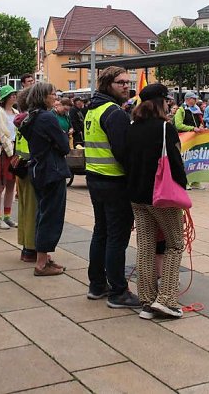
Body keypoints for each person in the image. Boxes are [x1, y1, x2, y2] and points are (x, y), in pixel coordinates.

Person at [123, 83, 187, 320]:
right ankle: (167, 299)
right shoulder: (164, 128)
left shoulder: (132, 127)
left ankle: (147, 301)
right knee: (175, 244)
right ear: (161, 102)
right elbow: (176, 162)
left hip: (136, 195)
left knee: (146, 247)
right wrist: (183, 188)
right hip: (161, 196)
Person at [84, 66, 140, 307]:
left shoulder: (93, 109)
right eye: (120, 82)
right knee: (116, 238)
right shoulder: (114, 112)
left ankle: (97, 285)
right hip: (114, 182)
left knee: (101, 233)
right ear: (107, 84)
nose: (126, 86)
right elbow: (123, 152)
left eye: (128, 82)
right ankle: (118, 291)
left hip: (96, 179)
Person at [19, 82, 69, 276]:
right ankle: (41, 263)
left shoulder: (31, 117)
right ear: (43, 96)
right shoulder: (48, 117)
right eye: (52, 94)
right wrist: (62, 137)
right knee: (51, 216)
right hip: (51, 170)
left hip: (38, 169)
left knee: (43, 212)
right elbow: (64, 145)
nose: (55, 97)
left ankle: (45, 257)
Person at [13, 90, 38, 262]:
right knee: (32, 210)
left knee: (24, 209)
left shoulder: (21, 120)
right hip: (31, 168)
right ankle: (31, 248)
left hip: (21, 166)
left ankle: (25, 247)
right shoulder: (32, 121)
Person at [0, 85, 19, 229]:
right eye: (11, 95)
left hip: (14, 150)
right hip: (3, 151)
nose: (14, 96)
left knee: (11, 184)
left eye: (14, 94)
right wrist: (11, 151)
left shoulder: (16, 112)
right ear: (5, 98)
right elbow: (1, 133)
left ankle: (7, 216)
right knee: (0, 184)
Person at [174, 91, 205, 190]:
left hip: (195, 139)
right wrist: (192, 128)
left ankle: (195, 181)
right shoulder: (181, 110)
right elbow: (178, 125)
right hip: (184, 139)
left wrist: (201, 126)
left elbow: (201, 122)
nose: (195, 100)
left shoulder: (197, 110)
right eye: (193, 98)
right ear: (187, 99)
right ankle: (185, 181)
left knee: (196, 160)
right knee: (185, 160)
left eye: (195, 99)